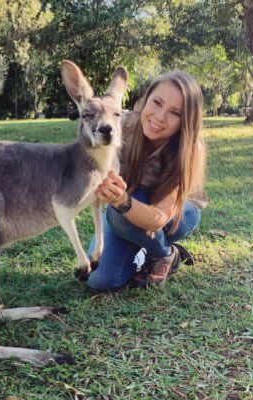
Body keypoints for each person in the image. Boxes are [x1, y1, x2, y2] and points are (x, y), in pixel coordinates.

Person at [86, 70, 207, 291]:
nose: (160, 117)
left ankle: (166, 253)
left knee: (118, 213)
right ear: (146, 99)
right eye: (157, 103)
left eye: (175, 113)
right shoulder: (120, 126)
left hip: (178, 212)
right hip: (131, 203)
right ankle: (147, 247)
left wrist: (122, 200)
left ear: (185, 121)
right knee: (99, 280)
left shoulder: (188, 148)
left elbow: (158, 218)